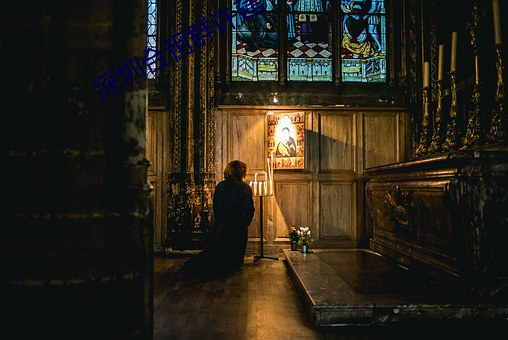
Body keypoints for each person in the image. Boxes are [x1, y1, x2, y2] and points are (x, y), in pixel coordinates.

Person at [180, 160, 255, 276]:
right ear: (241, 172)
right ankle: (235, 264)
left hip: (222, 224)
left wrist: (220, 220)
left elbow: (216, 206)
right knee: (237, 247)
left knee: (217, 250)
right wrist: (245, 223)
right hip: (238, 225)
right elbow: (249, 208)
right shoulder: (245, 188)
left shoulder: (220, 186)